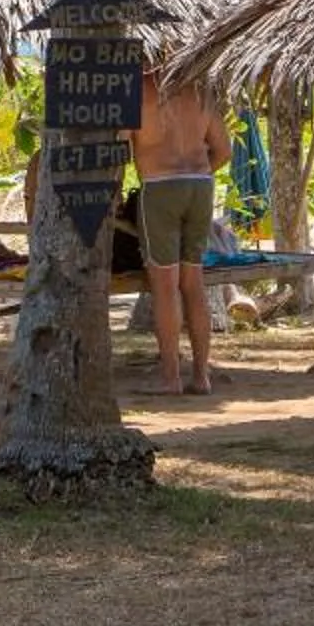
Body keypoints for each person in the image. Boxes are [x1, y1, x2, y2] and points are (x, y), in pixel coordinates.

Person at [128, 68, 233, 395]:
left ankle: (171, 378)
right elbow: (224, 149)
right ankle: (201, 376)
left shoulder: (137, 90)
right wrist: (196, 173)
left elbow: (119, 146)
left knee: (165, 286)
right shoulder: (198, 89)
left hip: (159, 186)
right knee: (193, 282)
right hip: (200, 185)